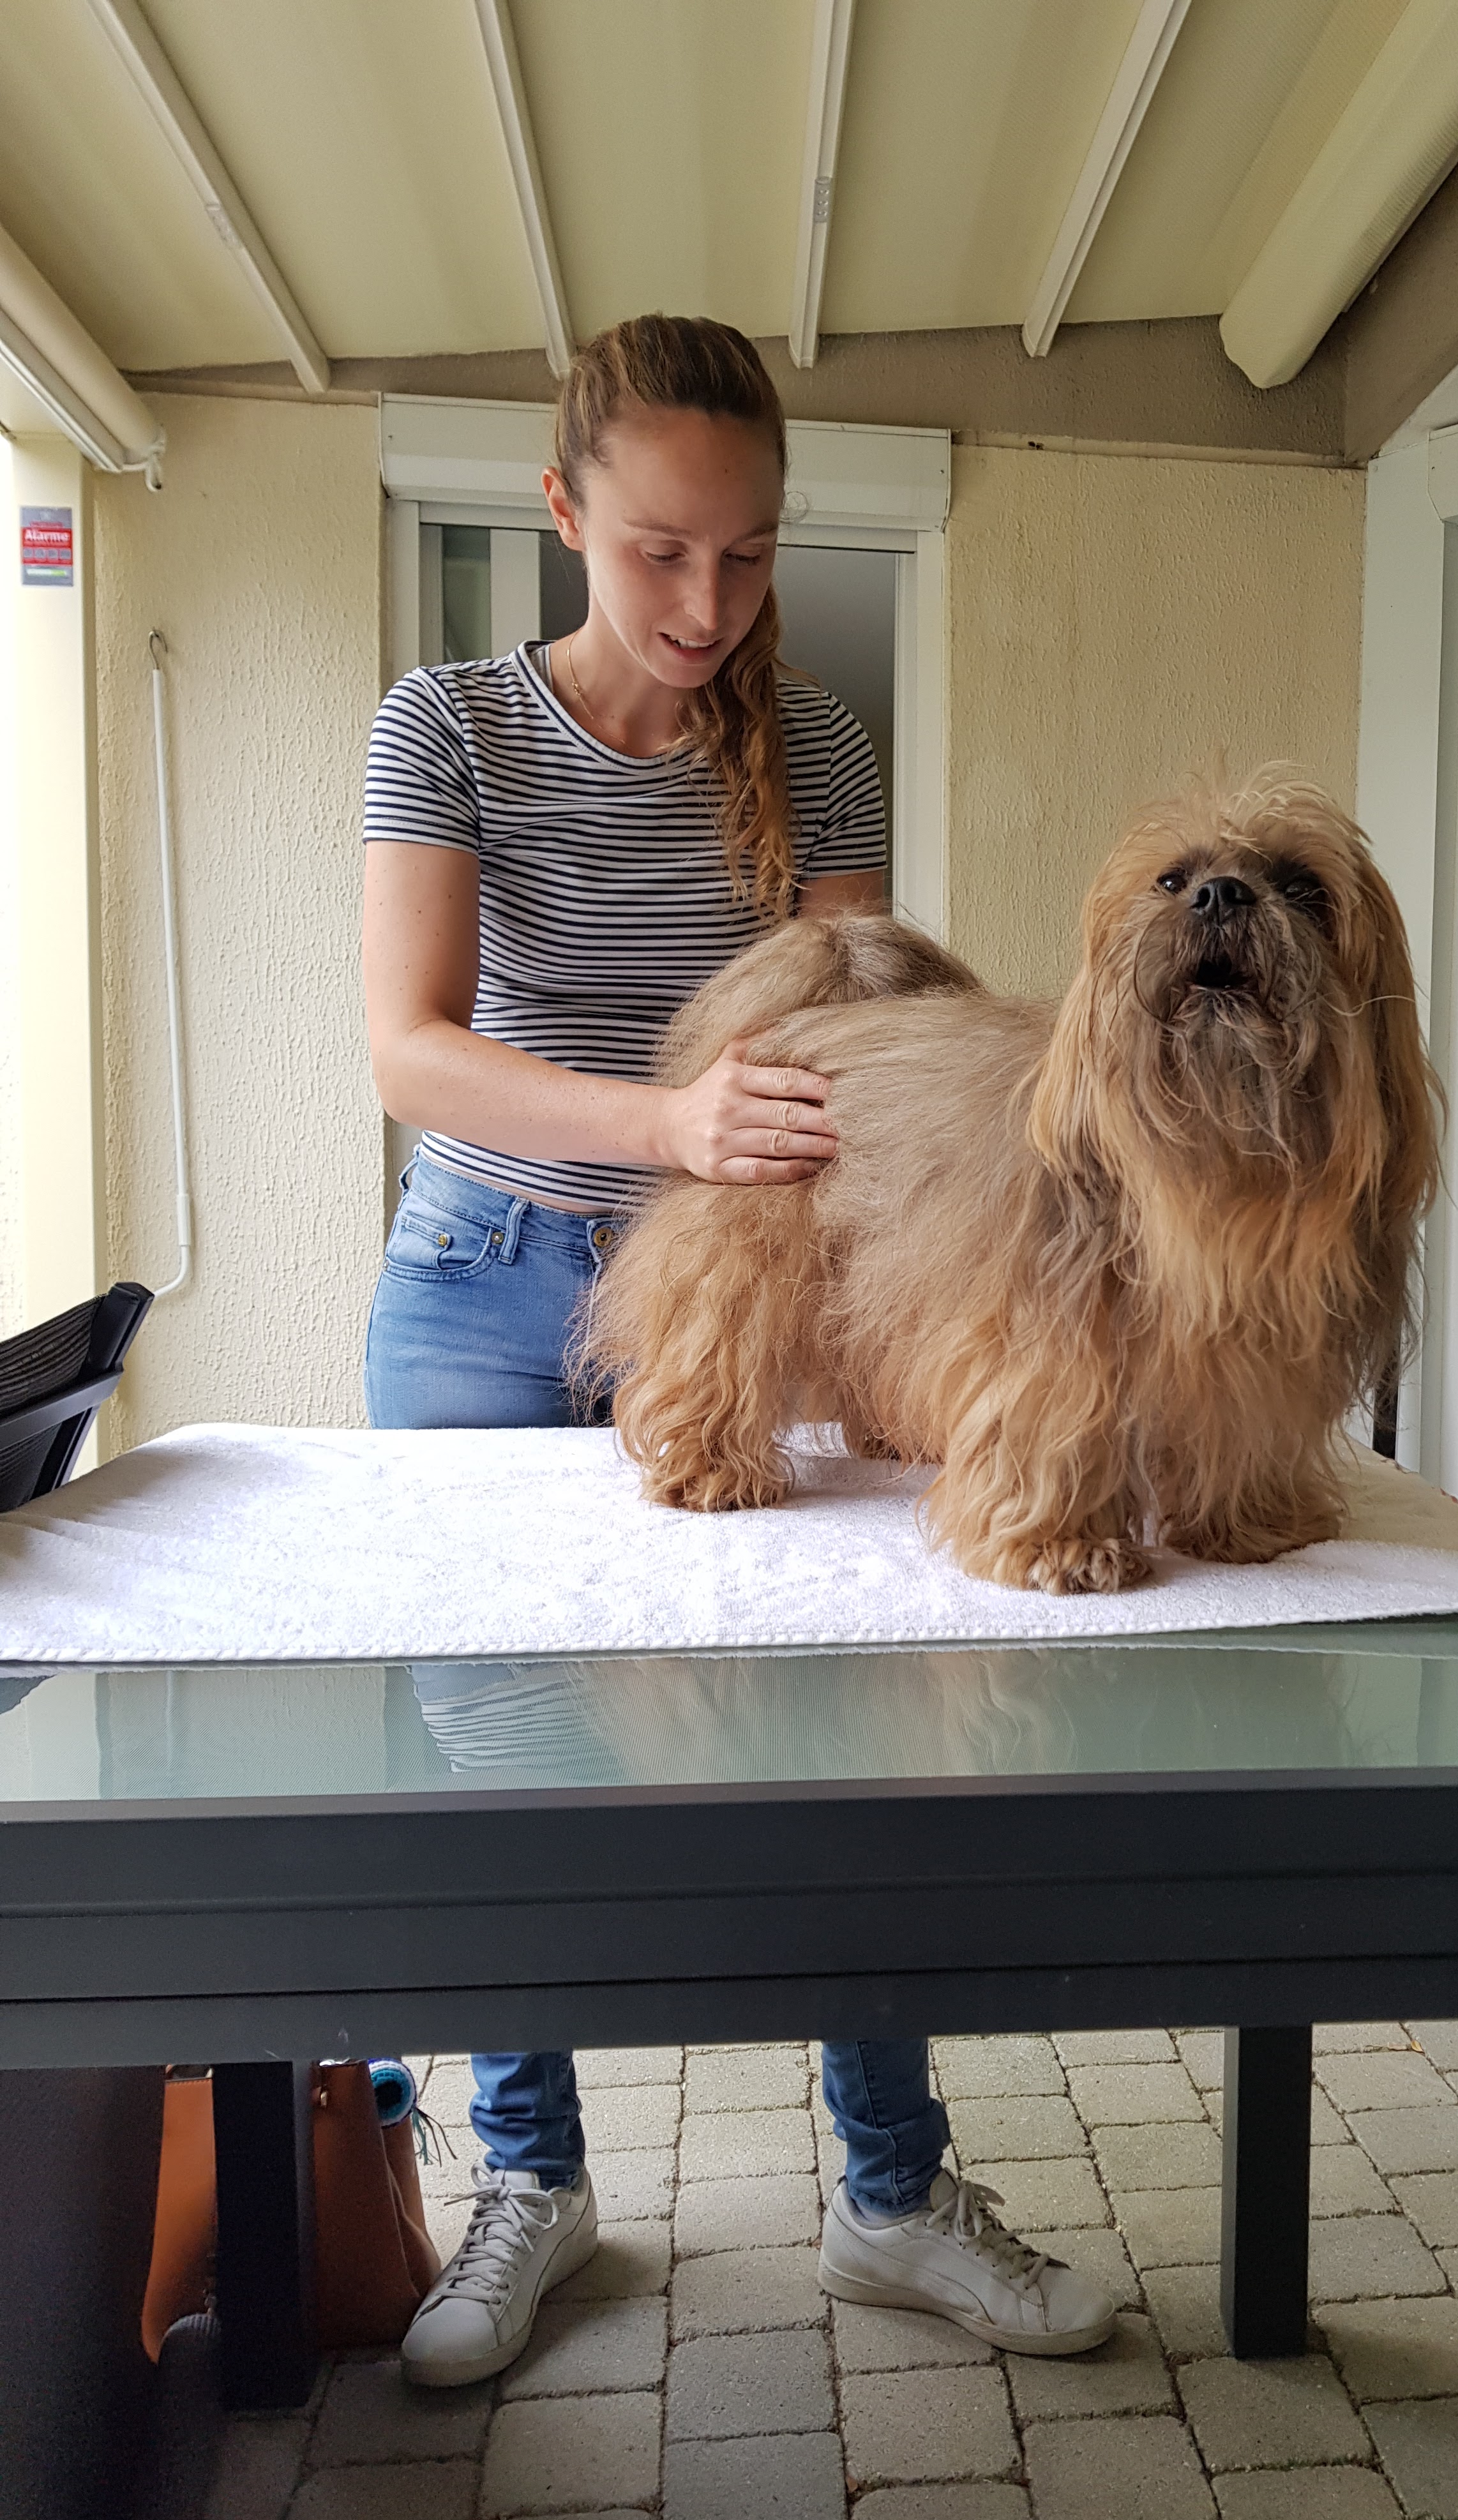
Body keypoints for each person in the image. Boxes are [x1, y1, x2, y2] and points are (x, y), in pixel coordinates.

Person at [361, 313, 1115, 2385]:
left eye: (752, 553)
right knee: (500, 1757)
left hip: (766, 1299)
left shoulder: (824, 746)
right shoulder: (450, 725)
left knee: (844, 1737)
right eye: (661, 552)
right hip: (486, 1289)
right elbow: (410, 1049)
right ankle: (533, 2182)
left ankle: (890, 2191)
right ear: (562, 511)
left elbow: (868, 1047)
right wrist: (672, 1125)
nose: (708, 604)